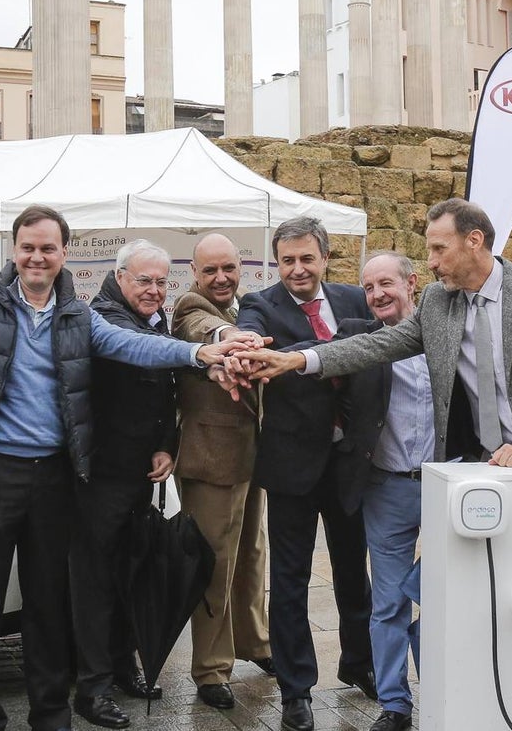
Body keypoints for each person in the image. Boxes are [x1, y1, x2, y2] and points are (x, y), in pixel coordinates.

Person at [233, 198, 512, 731]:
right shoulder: (439, 307)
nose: (434, 261)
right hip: (496, 480)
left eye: (439, 249)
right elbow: (373, 347)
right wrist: (297, 359)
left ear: (474, 241)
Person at [0, 205, 242, 731]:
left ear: (63, 254)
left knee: (48, 607)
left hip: (53, 479)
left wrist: (197, 354)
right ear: (14, 249)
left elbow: (132, 344)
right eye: (28, 246)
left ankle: (51, 716)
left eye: (48, 248)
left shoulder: (77, 315)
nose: (37, 256)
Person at [235, 217, 376, 731]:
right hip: (292, 466)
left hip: (349, 463)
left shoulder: (353, 301)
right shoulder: (262, 305)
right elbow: (247, 332)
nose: (297, 269)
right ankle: (297, 689)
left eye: (306, 258)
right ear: (277, 262)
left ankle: (359, 663)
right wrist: (246, 342)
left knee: (351, 573)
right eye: (287, 260)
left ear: (324, 257)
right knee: (290, 581)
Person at [68, 239, 176, 730]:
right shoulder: (104, 317)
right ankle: (91, 689)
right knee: (94, 581)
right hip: (101, 474)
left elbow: (166, 391)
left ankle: (122, 664)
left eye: (161, 281)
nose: (154, 290)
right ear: (120, 276)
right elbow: (139, 358)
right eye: (145, 280)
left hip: (137, 472)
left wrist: (167, 444)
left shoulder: (154, 317)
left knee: (129, 572)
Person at [170, 233, 273, 710]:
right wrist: (232, 339)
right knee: (213, 565)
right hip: (210, 460)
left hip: (252, 457)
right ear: (194, 273)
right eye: (210, 270)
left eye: (228, 268)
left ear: (241, 267)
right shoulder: (190, 307)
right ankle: (211, 670)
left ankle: (255, 643)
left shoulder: (245, 305)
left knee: (251, 557)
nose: (220, 278)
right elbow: (203, 328)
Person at [333, 252, 432, 731]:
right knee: (389, 602)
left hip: (446, 487)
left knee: (446, 592)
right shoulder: (359, 337)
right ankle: (395, 704)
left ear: (412, 283)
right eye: (369, 288)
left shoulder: (446, 335)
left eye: (386, 284)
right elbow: (322, 352)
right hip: (386, 489)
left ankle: (445, 680)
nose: (377, 296)